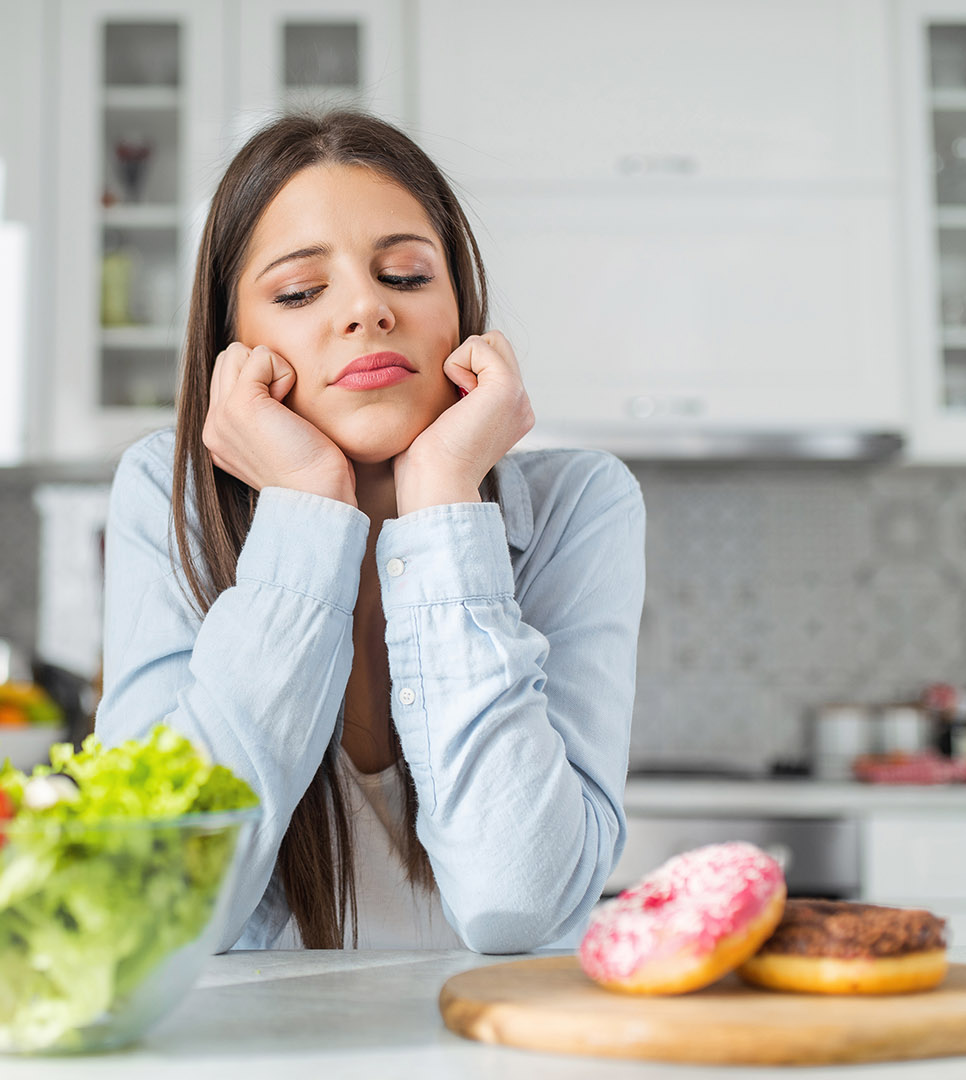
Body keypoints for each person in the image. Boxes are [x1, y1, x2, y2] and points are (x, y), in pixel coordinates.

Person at [95, 111, 645, 952]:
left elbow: (520, 901)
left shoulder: (585, 504)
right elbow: (151, 904)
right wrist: (310, 510)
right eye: (299, 293)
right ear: (234, 347)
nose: (366, 309)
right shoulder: (160, 496)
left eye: (405, 275)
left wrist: (444, 502)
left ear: (461, 312)